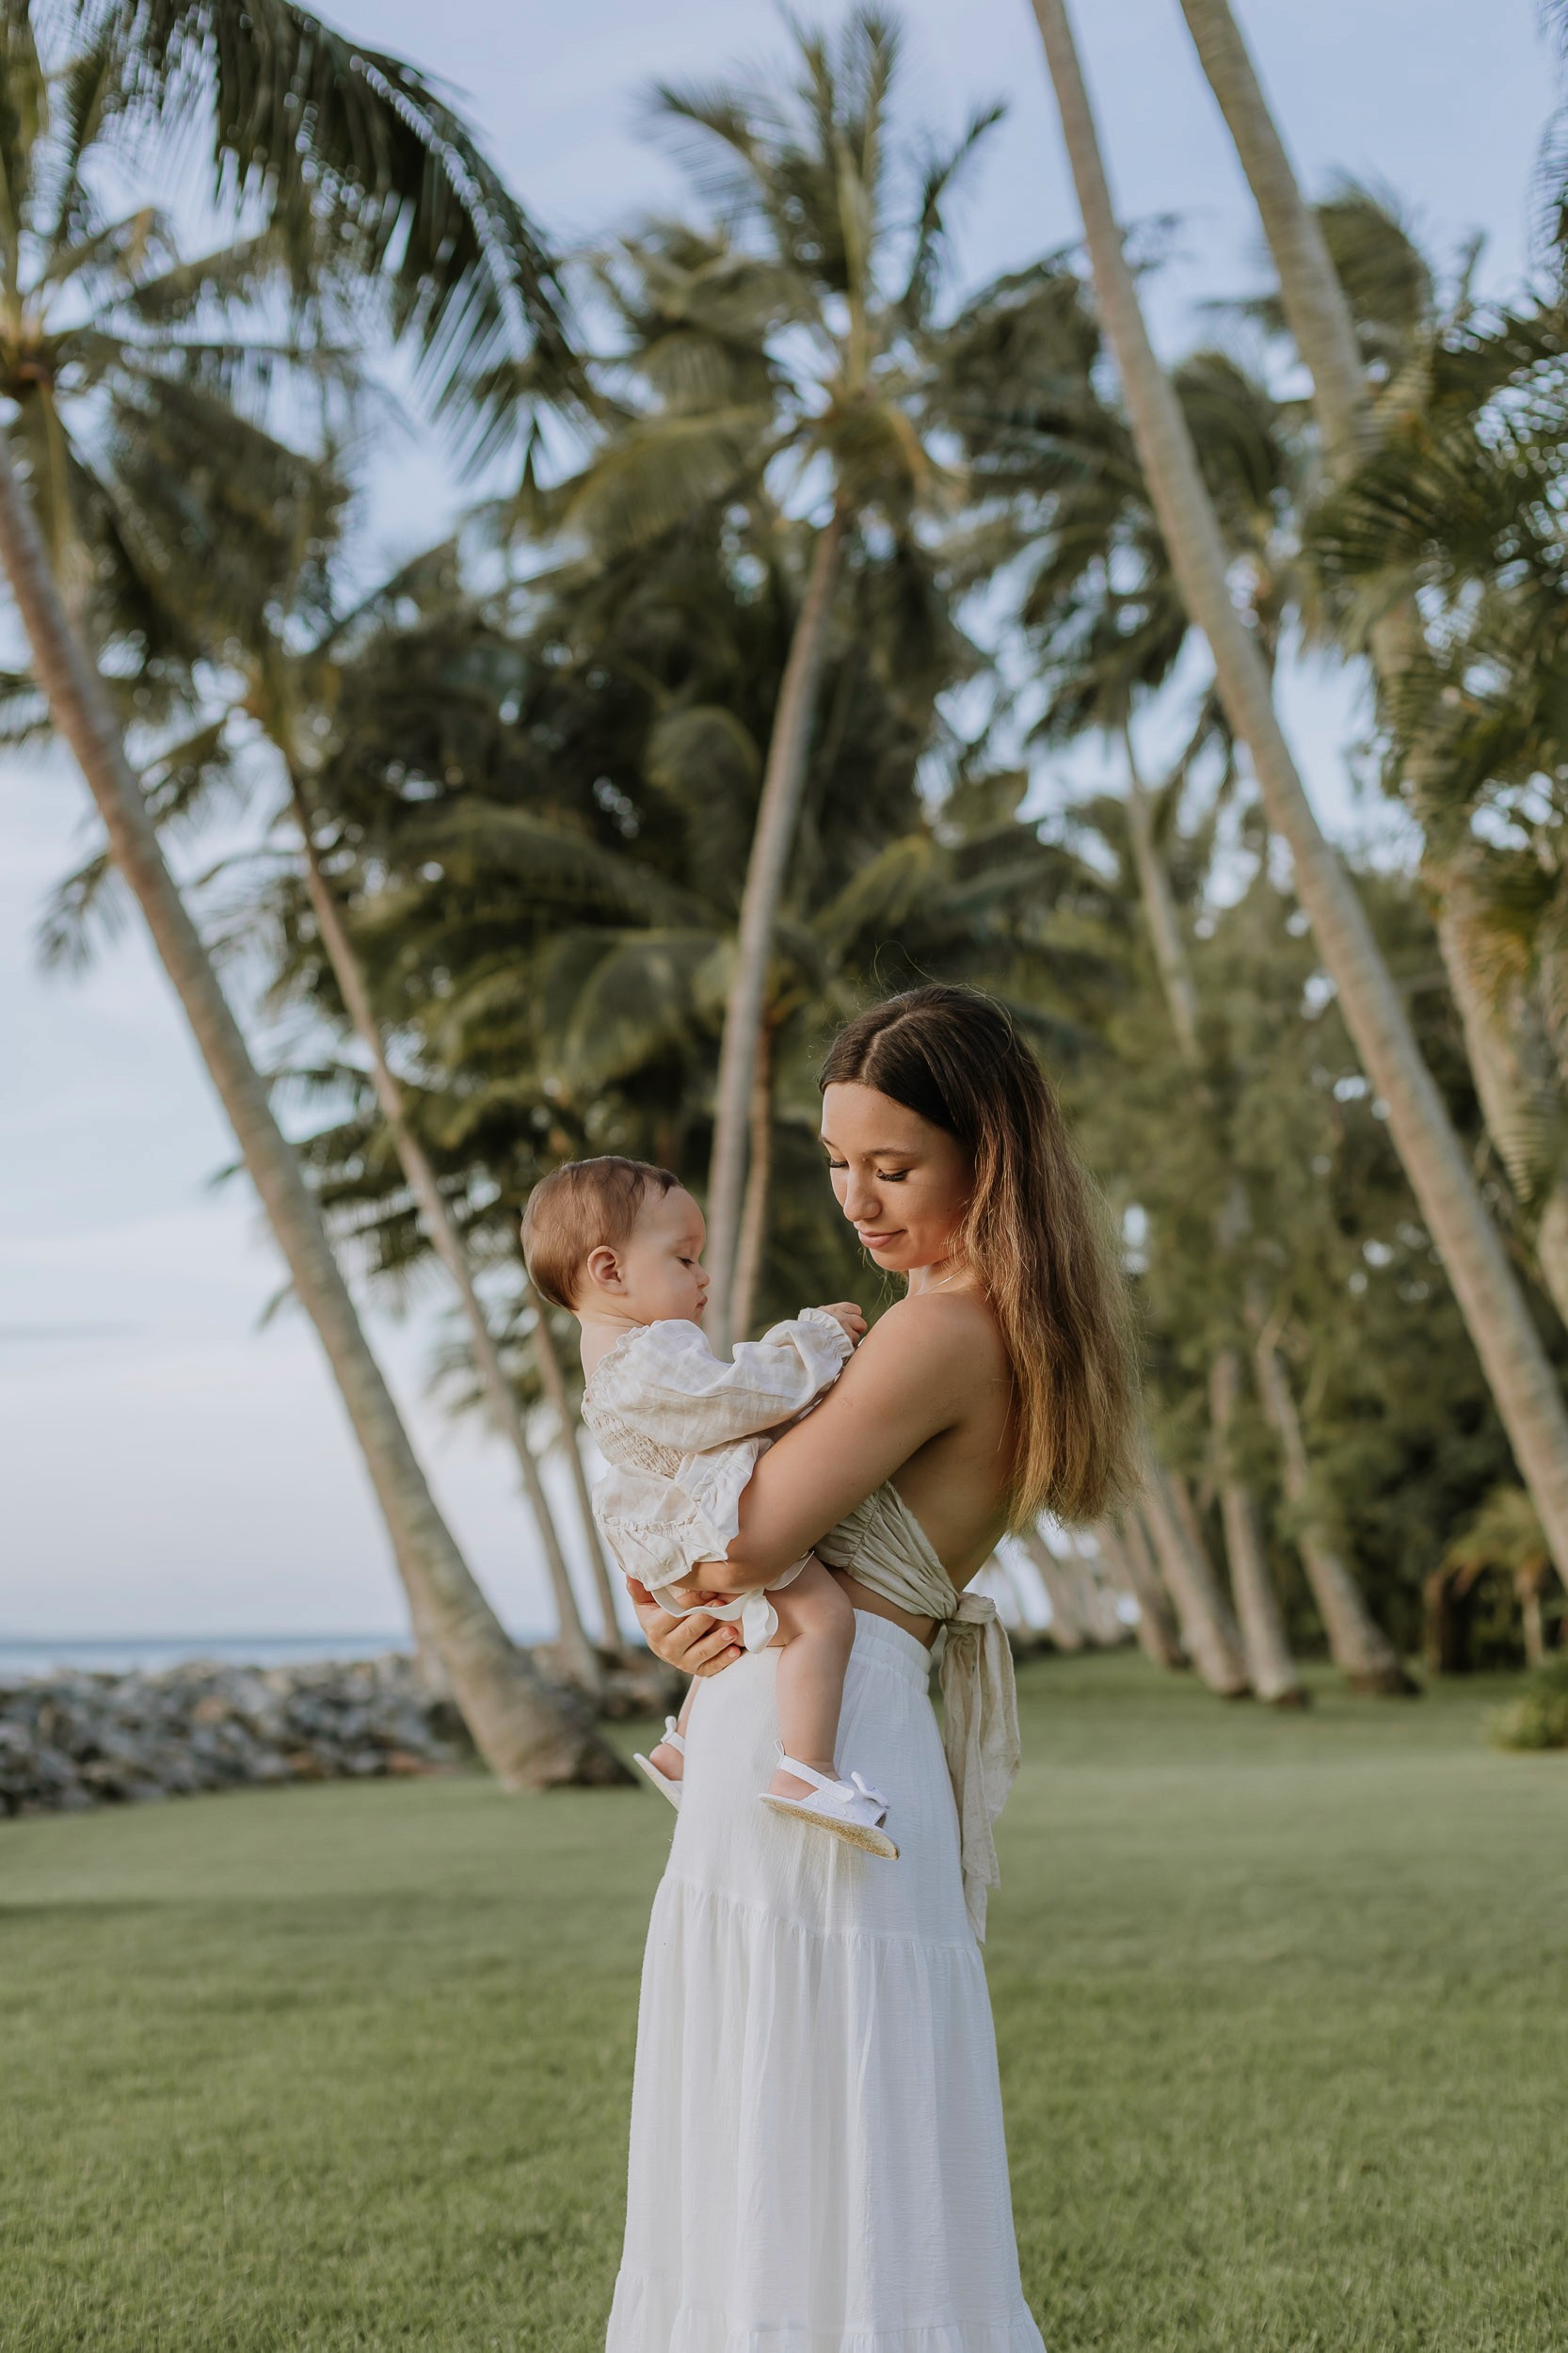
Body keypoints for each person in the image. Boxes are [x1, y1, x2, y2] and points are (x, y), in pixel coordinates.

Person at [603, 983, 1137, 2353]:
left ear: (987, 1157)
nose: (857, 1199)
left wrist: (686, 1577)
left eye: (893, 1167)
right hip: (831, 1713)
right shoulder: (991, 1321)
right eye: (839, 1164)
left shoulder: (938, 1328)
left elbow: (753, 1532)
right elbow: (740, 1566)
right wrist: (688, 1619)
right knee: (834, 2116)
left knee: (784, 2106)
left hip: (821, 1745)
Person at [520, 1155, 896, 1852]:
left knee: (730, 1632)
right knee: (820, 1618)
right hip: (706, 1527)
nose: (703, 1277)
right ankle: (806, 1770)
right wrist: (813, 1340)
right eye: (684, 1258)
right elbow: (733, 1398)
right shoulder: (647, 1351)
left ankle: (681, 1751)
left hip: (673, 1542)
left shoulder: (608, 1357)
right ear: (610, 1272)